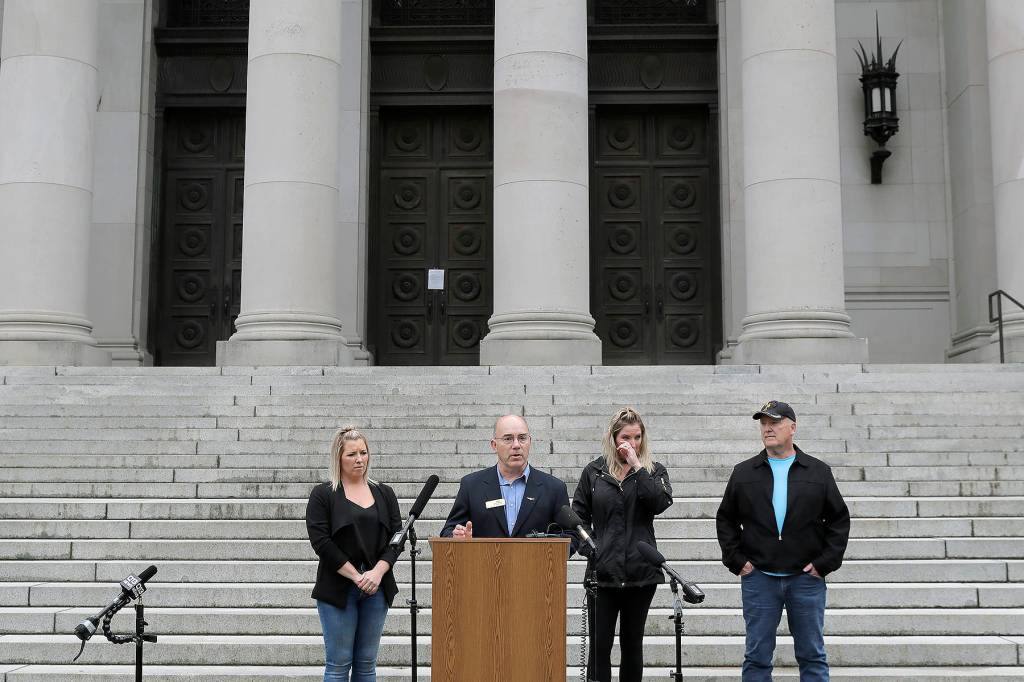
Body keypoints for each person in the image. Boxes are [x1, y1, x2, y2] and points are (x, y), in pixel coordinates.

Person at [716, 400, 851, 682]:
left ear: (792, 428)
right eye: (764, 424)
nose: (768, 429)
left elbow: (839, 520)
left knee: (812, 655)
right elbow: (726, 519)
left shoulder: (817, 471)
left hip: (806, 578)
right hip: (759, 578)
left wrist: (824, 563)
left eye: (775, 423)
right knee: (756, 657)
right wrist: (738, 561)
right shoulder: (744, 473)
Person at [571, 407, 673, 682]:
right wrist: (592, 548)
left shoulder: (654, 471)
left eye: (638, 436)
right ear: (613, 438)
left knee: (632, 645)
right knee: (599, 647)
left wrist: (638, 467)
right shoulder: (594, 472)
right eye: (626, 437)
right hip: (602, 575)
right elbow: (578, 517)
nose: (632, 443)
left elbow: (659, 503)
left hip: (641, 575)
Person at [305, 427, 403, 681]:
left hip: (376, 588)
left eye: (363, 452)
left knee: (367, 664)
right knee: (338, 665)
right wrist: (356, 577)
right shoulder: (323, 495)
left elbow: (397, 539)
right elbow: (321, 542)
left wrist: (377, 573)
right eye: (351, 454)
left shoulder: (384, 493)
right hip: (338, 588)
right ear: (338, 458)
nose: (359, 459)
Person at [440, 414, 569, 538]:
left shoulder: (554, 488)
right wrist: (456, 537)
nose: (516, 445)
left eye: (522, 438)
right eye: (508, 439)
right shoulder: (472, 485)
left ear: (530, 441)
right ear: (494, 445)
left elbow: (571, 535)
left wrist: (550, 555)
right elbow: (448, 531)